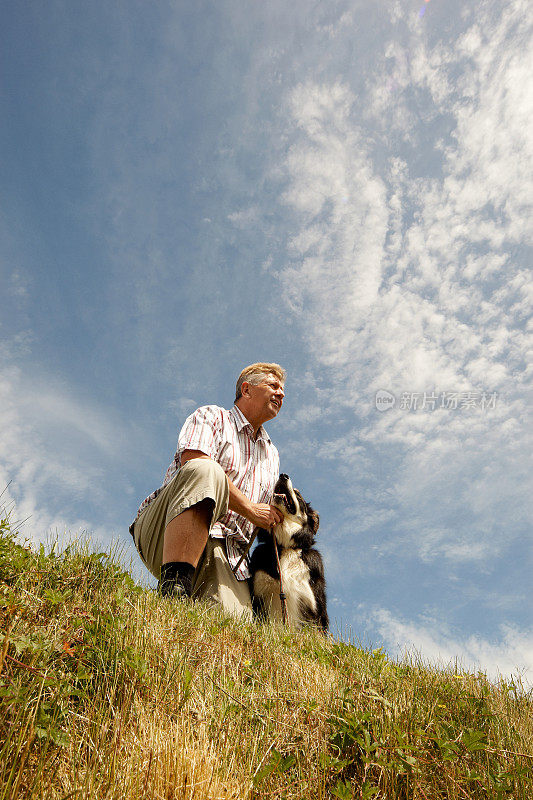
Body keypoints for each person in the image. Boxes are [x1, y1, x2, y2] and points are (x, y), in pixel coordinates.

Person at [130, 362, 286, 618]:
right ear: (246, 390)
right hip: (167, 525)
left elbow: (263, 514)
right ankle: (174, 589)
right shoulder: (212, 416)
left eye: (283, 390)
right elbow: (192, 461)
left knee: (233, 629)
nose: (281, 393)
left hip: (228, 553)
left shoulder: (272, 454)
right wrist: (249, 509)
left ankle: (189, 598)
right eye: (273, 386)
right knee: (206, 469)